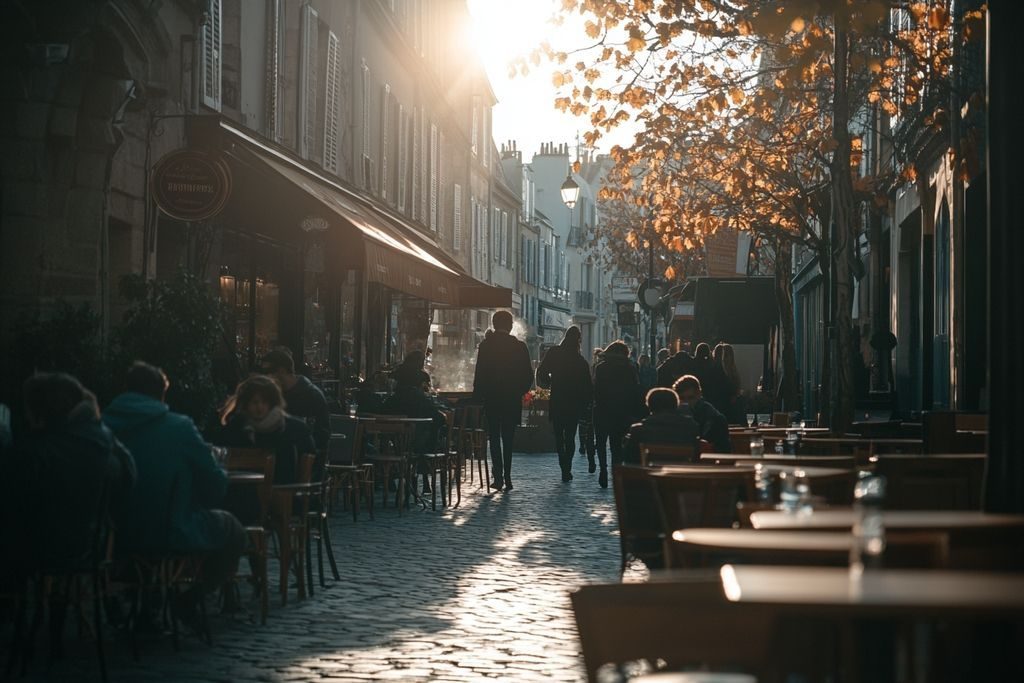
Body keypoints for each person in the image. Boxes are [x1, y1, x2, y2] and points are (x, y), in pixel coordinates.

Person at [103, 362, 246, 614]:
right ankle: (188, 600)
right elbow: (214, 482)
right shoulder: (179, 427)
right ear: (162, 393)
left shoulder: (102, 426)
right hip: (169, 530)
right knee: (234, 531)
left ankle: (144, 598)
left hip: (112, 536)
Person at [5, 373, 136, 578]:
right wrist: (98, 422)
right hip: (89, 548)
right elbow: (128, 475)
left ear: (41, 412)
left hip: (35, 547)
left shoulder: (36, 452)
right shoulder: (100, 444)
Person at [472, 311, 534, 491]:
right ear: (510, 325)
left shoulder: (486, 345)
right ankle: (508, 476)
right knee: (508, 438)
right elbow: (528, 376)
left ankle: (497, 476)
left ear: (493, 324)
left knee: (494, 437)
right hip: (511, 399)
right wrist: (518, 391)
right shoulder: (520, 347)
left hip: (492, 398)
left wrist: (479, 395)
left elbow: (480, 373)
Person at [216, 375, 316, 484]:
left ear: (272, 403)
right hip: (243, 493)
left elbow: (308, 464)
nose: (260, 407)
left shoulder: (294, 430)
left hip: (281, 493)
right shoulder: (235, 428)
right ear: (246, 404)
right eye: (255, 402)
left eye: (264, 402)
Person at [536, 326, 593, 484]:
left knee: (559, 436)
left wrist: (549, 383)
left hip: (558, 400)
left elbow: (541, 371)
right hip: (573, 404)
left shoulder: (554, 353)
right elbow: (588, 387)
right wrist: (586, 404)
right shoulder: (580, 361)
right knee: (570, 436)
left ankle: (563, 465)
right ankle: (566, 467)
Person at [592, 340, 644, 488]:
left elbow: (597, 389)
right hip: (621, 412)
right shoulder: (630, 368)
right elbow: (635, 390)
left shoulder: (601, 368)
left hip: (603, 410)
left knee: (601, 442)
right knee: (616, 445)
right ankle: (616, 472)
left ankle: (603, 469)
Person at [262, 348, 331, 451]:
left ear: (282, 371)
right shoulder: (271, 394)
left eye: (267, 372)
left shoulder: (312, 396)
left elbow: (321, 435)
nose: (264, 376)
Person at [622, 388, 700, 465]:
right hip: (682, 475)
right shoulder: (690, 428)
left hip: (648, 475)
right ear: (676, 405)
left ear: (650, 407)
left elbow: (629, 459)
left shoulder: (638, 431)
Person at [672, 374, 731, 453]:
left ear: (699, 394)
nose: (687, 403)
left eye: (690, 398)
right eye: (682, 398)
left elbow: (724, 450)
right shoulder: (673, 416)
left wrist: (709, 448)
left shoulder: (715, 418)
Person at [714, 342, 743, 424]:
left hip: (729, 408)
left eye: (727, 355)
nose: (725, 358)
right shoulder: (717, 372)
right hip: (721, 406)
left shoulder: (732, 372)